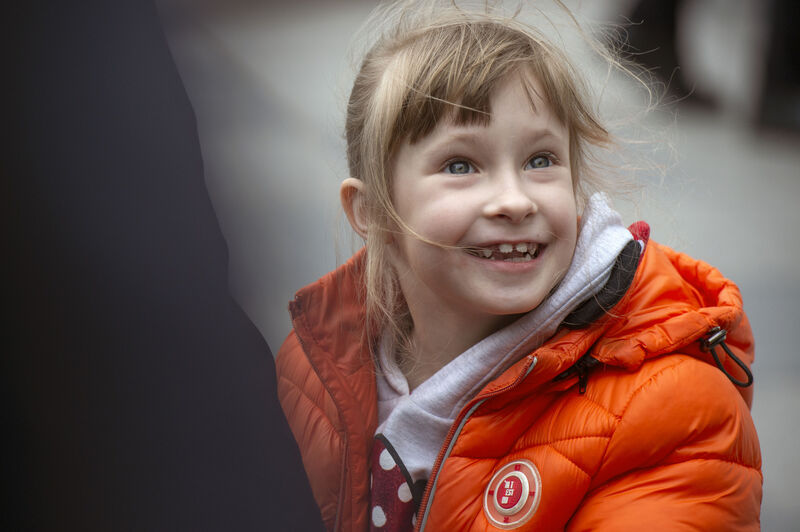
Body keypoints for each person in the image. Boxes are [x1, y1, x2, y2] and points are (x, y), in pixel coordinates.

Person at [274, 1, 762, 530]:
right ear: (372, 212)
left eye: (540, 161)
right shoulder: (312, 371)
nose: (514, 200)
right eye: (460, 165)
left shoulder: (672, 410)